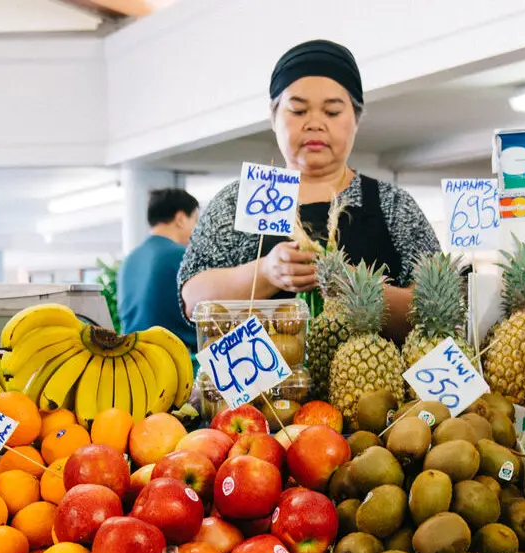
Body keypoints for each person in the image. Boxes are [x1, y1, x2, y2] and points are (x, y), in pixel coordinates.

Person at [178, 39, 441, 338]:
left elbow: (432, 310)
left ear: (356, 119)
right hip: (260, 385)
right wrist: (266, 272)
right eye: (298, 111)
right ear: (274, 117)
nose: (315, 123)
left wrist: (351, 286)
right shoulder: (235, 201)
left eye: (331, 112)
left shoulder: (393, 204)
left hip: (373, 385)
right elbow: (192, 301)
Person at [117, 188, 200, 349]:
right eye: (195, 220)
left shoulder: (129, 260)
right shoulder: (184, 256)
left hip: (132, 357)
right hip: (174, 358)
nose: (197, 229)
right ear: (181, 219)